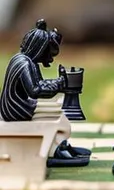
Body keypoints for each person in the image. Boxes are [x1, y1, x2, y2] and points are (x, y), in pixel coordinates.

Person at [0, 19, 90, 167]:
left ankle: (60, 145)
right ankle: (56, 148)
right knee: (60, 117)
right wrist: (60, 83)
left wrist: (58, 84)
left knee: (58, 109)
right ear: (40, 49)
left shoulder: (27, 61)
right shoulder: (24, 63)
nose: (50, 59)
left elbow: (39, 85)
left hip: (20, 106)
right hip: (17, 111)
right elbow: (36, 90)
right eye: (48, 53)